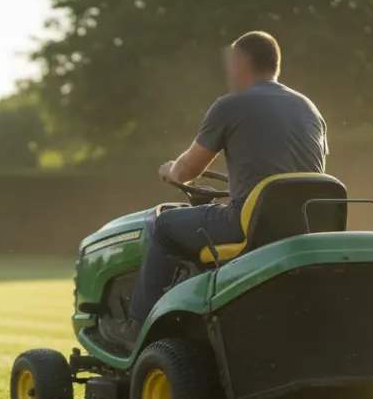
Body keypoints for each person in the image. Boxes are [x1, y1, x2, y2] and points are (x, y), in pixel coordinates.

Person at [118, 30, 328, 342]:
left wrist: (168, 171)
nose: (228, 72)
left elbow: (187, 170)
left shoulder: (231, 105)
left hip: (248, 226)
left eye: (231, 64)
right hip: (304, 228)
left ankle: (136, 329)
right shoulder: (310, 109)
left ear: (242, 63)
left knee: (162, 225)